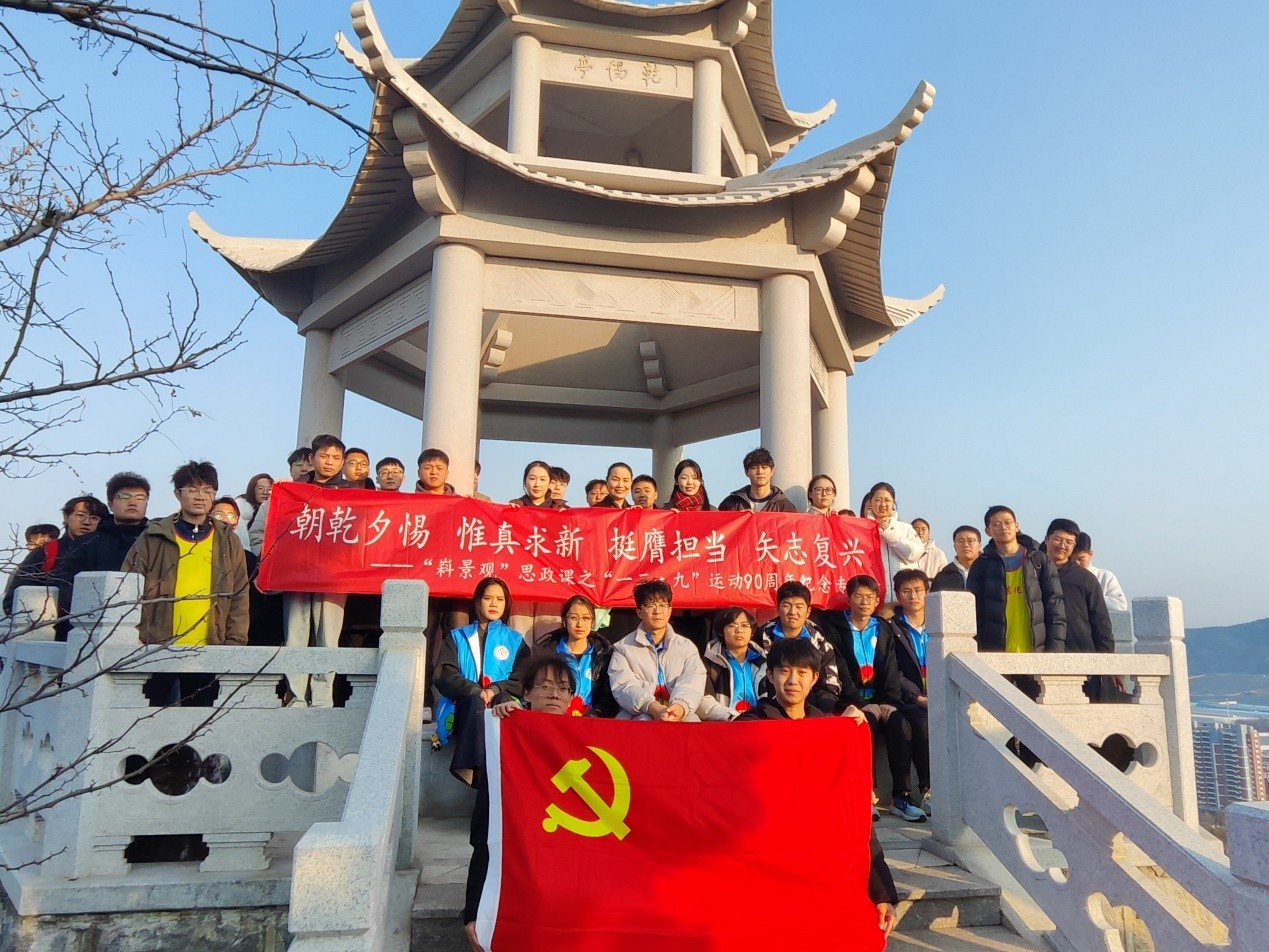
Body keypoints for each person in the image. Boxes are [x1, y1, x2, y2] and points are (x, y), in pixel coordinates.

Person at [737, 637, 899, 938]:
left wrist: (882, 893)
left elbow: (854, 818)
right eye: (784, 671)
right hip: (766, 858)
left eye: (802, 673)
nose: (793, 681)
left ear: (815, 678)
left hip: (816, 859)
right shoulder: (748, 726)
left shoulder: (829, 730)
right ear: (770, 675)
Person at [461, 653, 575, 951]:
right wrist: (472, 912)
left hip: (568, 882)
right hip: (524, 880)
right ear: (526, 693)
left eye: (563, 688)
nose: (554, 694)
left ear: (571, 698)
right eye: (545, 686)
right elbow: (485, 836)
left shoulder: (588, 746)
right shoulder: (508, 739)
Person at [122, 461, 249, 706]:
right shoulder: (154, 536)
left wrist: (235, 641)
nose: (200, 497)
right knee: (149, 715)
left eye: (207, 490)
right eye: (192, 490)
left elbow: (240, 594)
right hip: (156, 645)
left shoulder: (227, 540)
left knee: (199, 719)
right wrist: (133, 633)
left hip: (209, 647)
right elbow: (128, 585)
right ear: (177, 493)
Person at [821, 575, 923, 822]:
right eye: (859, 596)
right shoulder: (834, 628)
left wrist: (888, 701)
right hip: (851, 702)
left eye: (870, 597)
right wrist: (862, 704)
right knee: (865, 726)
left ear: (878, 600)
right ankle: (866, 794)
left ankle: (902, 796)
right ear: (849, 599)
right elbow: (839, 669)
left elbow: (891, 666)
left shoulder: (882, 627)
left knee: (901, 724)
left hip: (882, 700)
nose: (864, 602)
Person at [282, 434, 355, 707]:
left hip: (334, 577)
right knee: (295, 634)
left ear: (342, 462)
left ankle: (323, 697)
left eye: (336, 458)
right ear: (312, 458)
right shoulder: (291, 491)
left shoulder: (353, 494)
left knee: (328, 637)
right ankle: (296, 695)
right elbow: (270, 530)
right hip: (297, 574)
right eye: (324, 456)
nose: (329, 462)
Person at [433, 577, 531, 767]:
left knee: (504, 701)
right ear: (478, 602)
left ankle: (505, 766)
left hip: (501, 700)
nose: (494, 604)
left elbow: (523, 677)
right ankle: (474, 769)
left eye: (500, 599)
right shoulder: (458, 637)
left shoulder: (515, 640)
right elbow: (445, 674)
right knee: (474, 702)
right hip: (464, 706)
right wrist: (475, 691)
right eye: (488, 598)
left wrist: (495, 689)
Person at [966, 506, 1066, 654]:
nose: (1003, 527)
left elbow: (1055, 608)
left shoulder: (1038, 560)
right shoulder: (982, 565)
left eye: (1008, 522)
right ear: (988, 531)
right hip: (995, 653)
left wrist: (1054, 652)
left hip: (1035, 652)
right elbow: (972, 612)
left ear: (1017, 526)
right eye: (996, 524)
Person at [608, 579, 706, 721]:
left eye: (662, 605)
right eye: (651, 605)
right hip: (640, 711)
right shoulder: (623, 648)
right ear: (639, 612)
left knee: (691, 722)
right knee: (643, 721)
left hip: (678, 708)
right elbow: (623, 687)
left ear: (670, 610)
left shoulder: (686, 646)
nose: (657, 611)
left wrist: (679, 707)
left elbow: (694, 679)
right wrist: (653, 707)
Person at [1044, 519, 1117, 701]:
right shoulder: (1032, 573)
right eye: (1057, 539)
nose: (1062, 546)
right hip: (1041, 656)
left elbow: (1101, 622)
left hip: (1080, 656)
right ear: (1046, 539)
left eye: (1069, 542)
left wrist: (1110, 662)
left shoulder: (1085, 579)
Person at [3, 496, 106, 615]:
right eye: (80, 515)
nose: (86, 522)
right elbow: (13, 599)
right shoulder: (45, 552)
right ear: (66, 517)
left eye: (94, 518)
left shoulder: (105, 553)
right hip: (48, 623)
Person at [754, 581, 843, 715]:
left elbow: (829, 686)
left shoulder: (821, 644)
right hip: (768, 710)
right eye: (786, 606)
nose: (792, 612)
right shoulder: (758, 640)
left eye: (799, 606)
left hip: (811, 710)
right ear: (777, 609)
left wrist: (819, 714)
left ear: (808, 611)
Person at [889, 569, 934, 816]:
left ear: (927, 592)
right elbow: (892, 669)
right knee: (919, 723)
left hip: (939, 694)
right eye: (906, 591)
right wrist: (918, 697)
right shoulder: (892, 628)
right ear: (898, 596)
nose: (913, 596)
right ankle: (926, 789)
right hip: (909, 699)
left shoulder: (939, 623)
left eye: (918, 590)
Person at [211, 498, 284, 647]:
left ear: (237, 522)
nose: (225, 520)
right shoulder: (200, 552)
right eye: (219, 515)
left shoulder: (248, 558)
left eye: (231, 515)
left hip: (243, 633)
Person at [535, 594, 616, 716]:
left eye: (586, 618)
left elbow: (608, 698)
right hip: (555, 717)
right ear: (564, 621)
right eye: (573, 618)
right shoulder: (546, 653)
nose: (580, 624)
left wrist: (593, 715)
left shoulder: (603, 654)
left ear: (593, 622)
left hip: (591, 720)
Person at [697, 607, 765, 720]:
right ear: (721, 631)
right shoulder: (708, 663)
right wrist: (731, 717)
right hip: (725, 722)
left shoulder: (764, 662)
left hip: (760, 723)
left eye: (745, 625)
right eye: (732, 626)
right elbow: (704, 702)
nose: (739, 630)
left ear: (752, 632)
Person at [862, 482, 923, 596]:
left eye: (887, 500)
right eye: (877, 500)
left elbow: (914, 554)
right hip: (873, 597)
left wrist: (890, 534)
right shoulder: (863, 529)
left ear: (893, 502)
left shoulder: (906, 528)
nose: (882, 504)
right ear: (871, 502)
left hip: (904, 597)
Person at [729, 447, 796, 512]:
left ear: (772, 471)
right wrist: (738, 516)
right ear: (746, 472)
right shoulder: (732, 503)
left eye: (764, 467)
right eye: (754, 468)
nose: (760, 472)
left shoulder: (784, 506)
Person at [1074, 532, 1128, 612]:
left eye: (1081, 559)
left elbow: (1120, 606)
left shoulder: (1105, 577)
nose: (1076, 563)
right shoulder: (1062, 577)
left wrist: (1090, 596)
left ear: (1090, 554)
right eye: (1071, 559)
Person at [931, 525, 981, 592]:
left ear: (980, 545)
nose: (966, 545)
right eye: (961, 541)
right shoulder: (943, 576)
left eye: (970, 541)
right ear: (954, 547)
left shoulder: (991, 570)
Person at [235, 473, 273, 550]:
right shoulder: (239, 511)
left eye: (269, 489)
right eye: (260, 488)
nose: (265, 492)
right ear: (252, 490)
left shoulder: (273, 514)